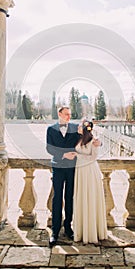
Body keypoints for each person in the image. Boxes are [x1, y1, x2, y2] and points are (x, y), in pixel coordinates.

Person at [46, 106, 79, 247]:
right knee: (57, 197)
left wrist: (97, 142)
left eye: (70, 115)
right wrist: (64, 154)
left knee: (70, 197)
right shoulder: (51, 129)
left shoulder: (75, 128)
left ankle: (68, 227)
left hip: (72, 168)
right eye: (66, 114)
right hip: (58, 167)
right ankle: (54, 231)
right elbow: (49, 148)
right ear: (59, 114)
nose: (68, 117)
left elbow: (86, 139)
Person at [73, 119, 108, 244]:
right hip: (80, 172)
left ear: (83, 128)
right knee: (81, 199)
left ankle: (92, 232)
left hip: (89, 171)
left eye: (79, 125)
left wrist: (77, 155)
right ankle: (81, 230)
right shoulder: (78, 137)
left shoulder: (93, 141)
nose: (77, 126)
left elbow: (93, 158)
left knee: (90, 198)